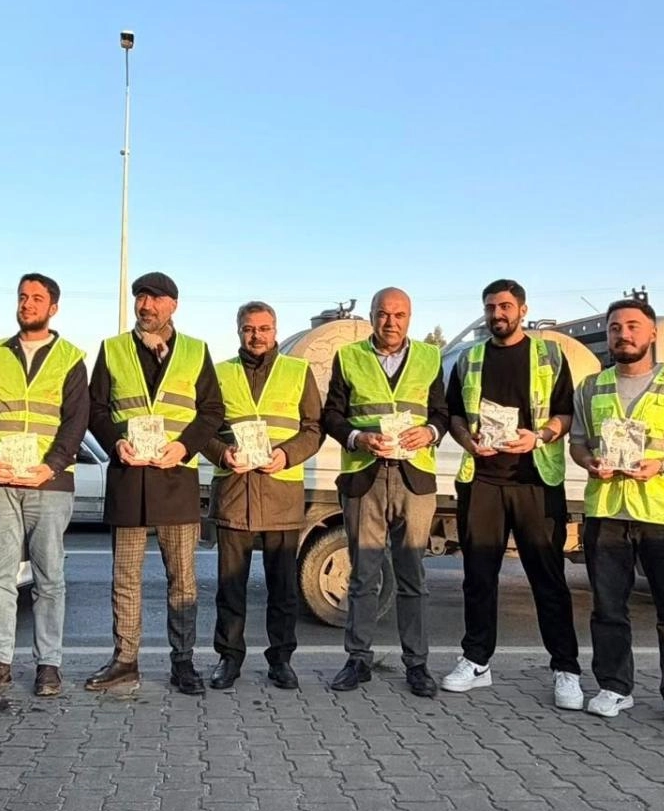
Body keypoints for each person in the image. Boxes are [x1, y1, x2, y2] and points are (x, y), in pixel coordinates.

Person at [567, 297, 664, 728]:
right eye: (615, 328)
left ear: (652, 333)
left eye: (632, 326)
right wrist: (588, 462)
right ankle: (614, 687)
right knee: (608, 608)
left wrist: (663, 465)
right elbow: (578, 443)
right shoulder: (591, 387)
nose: (623, 334)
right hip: (607, 510)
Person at [442, 279, 582, 707]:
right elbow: (454, 416)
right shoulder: (470, 358)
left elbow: (565, 413)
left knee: (548, 579)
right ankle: (476, 661)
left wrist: (538, 437)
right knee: (478, 578)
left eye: (505, 306)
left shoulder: (549, 355)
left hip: (535, 480)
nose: (497, 314)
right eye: (490, 307)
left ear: (523, 309)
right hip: (482, 481)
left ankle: (566, 669)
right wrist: (468, 442)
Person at [85, 272, 224, 696]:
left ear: (173, 305)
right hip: (129, 479)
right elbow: (94, 408)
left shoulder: (196, 351)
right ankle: (125, 662)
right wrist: (116, 443)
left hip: (175, 479)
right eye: (140, 298)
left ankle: (183, 663)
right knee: (125, 579)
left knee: (182, 581)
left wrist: (184, 446)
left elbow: (212, 411)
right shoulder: (113, 349)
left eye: (155, 299)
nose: (146, 306)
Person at [0, 273, 89, 697]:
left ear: (53, 307)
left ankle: (48, 666)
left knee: (49, 578)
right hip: (0, 481)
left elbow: (76, 420)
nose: (27, 303)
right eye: (22, 296)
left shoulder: (70, 357)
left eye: (37, 298)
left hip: (48, 484)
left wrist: (52, 466)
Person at [321, 287, 449, 697]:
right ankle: (358, 660)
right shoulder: (349, 357)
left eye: (399, 315)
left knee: (413, 577)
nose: (390, 322)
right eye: (382, 314)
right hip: (366, 476)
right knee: (363, 576)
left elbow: (443, 414)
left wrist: (429, 433)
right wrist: (357, 438)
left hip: (414, 478)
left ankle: (417, 664)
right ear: (372, 316)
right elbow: (332, 415)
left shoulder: (430, 358)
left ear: (409, 317)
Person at [197, 302, 322, 691]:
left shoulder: (297, 371)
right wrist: (222, 454)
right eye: (249, 329)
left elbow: (313, 428)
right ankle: (228, 658)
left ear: (275, 330)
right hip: (235, 494)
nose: (257, 336)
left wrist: (287, 455)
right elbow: (203, 428)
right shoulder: (220, 373)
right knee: (230, 588)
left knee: (282, 589)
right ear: (239, 331)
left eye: (264, 328)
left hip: (280, 492)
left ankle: (281, 660)